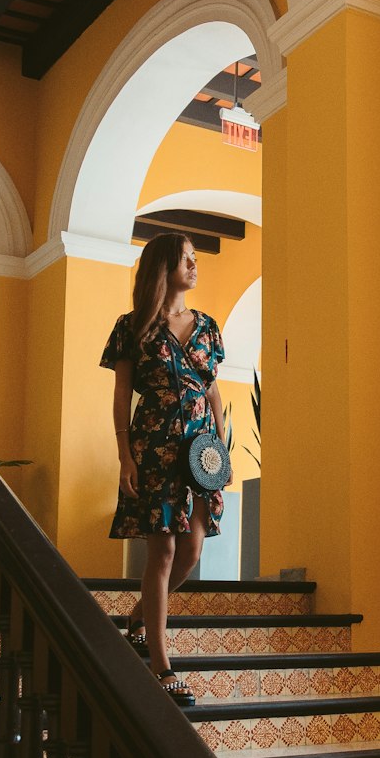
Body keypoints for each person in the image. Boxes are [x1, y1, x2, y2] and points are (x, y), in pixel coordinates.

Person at [101, 232, 228, 706]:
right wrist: (124, 455)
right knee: (164, 552)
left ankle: (136, 617)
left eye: (197, 259)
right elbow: (121, 396)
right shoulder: (133, 326)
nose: (195, 266)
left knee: (192, 551)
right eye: (186, 259)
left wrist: (220, 449)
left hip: (200, 451)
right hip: (153, 444)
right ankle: (162, 665)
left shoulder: (208, 326)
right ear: (163, 266)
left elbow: (213, 391)